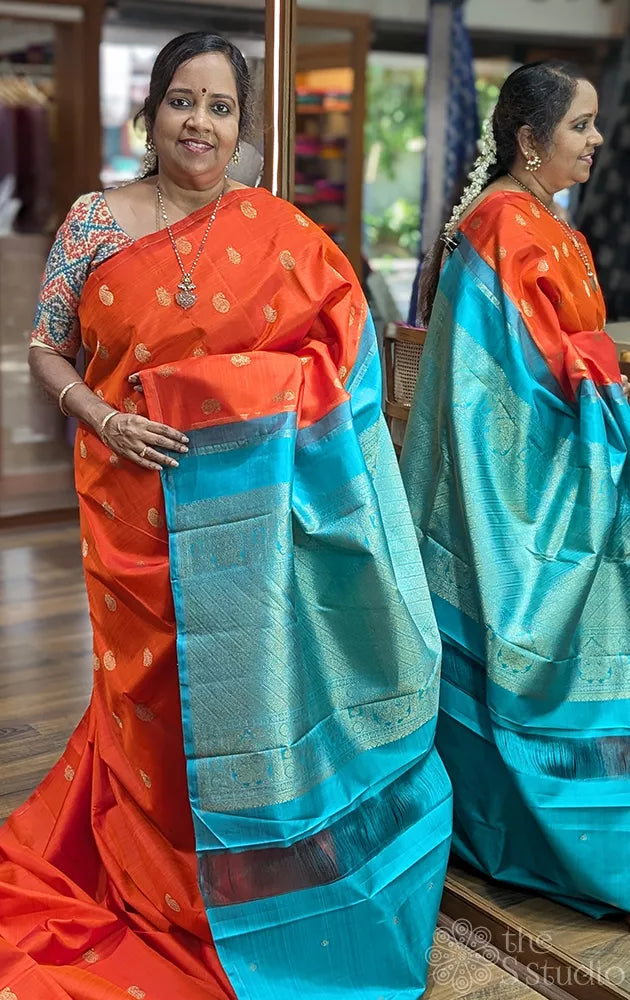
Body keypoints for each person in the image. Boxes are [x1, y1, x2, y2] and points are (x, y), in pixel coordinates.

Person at [0, 31, 452, 998]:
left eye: (219, 107)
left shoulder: (277, 232)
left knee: (242, 691)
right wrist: (104, 417)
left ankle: (245, 878)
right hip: (131, 504)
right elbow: (46, 347)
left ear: (242, 129)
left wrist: (256, 395)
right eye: (182, 100)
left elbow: (347, 352)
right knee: (149, 703)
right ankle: (152, 876)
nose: (198, 123)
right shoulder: (95, 221)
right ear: (150, 110)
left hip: (250, 520)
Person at [401, 60, 630, 917]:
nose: (597, 140)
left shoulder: (539, 220)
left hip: (547, 457)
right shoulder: (505, 226)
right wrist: (609, 385)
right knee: (518, 631)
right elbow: (506, 382)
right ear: (531, 140)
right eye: (581, 125)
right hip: (510, 483)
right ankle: (532, 828)